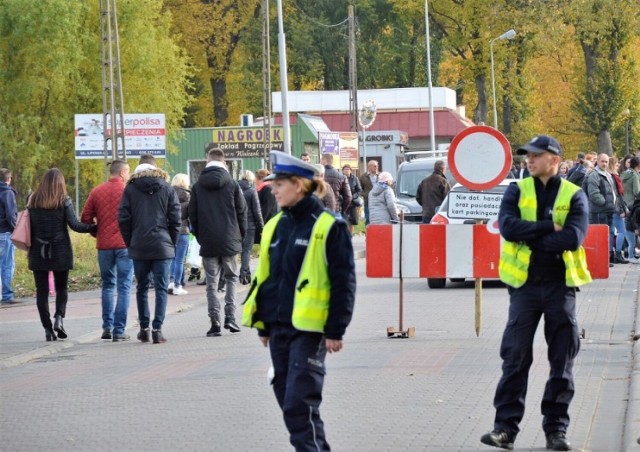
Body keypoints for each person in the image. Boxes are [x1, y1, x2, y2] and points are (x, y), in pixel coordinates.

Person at [481, 135, 591, 452]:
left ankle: (556, 431)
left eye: (535, 156)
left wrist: (531, 236)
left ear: (554, 159)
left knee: (562, 362)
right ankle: (505, 430)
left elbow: (572, 238)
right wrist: (546, 228)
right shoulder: (517, 190)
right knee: (515, 358)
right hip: (525, 288)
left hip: (560, 287)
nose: (528, 160)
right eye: (526, 156)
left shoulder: (574, 194)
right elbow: (508, 227)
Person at [242, 150, 355, 451]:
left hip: (311, 330)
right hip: (278, 329)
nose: (273, 189)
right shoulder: (275, 225)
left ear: (300, 185)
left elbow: (344, 282)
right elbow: (267, 278)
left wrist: (336, 329)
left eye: (279, 184)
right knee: (290, 401)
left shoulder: (330, 225)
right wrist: (262, 324)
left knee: (298, 404)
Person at [28, 168, 97, 341]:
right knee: (61, 288)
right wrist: (94, 227)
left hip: (38, 250)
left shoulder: (33, 200)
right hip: (60, 250)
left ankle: (47, 329)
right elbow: (75, 225)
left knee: (42, 291)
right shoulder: (63, 200)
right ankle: (59, 318)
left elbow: (28, 227)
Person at [118, 157, 180, 344]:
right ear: (155, 168)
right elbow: (175, 219)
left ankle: (144, 329)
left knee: (142, 288)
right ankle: (157, 330)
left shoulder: (130, 189)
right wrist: (171, 242)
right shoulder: (167, 188)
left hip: (139, 245)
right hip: (163, 246)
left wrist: (131, 242)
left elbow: (123, 219)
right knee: (161, 288)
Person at [189, 146, 247, 337]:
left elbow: (193, 216)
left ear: (207, 161)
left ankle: (214, 322)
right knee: (231, 278)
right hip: (230, 239)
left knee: (211, 283)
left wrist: (200, 236)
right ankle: (231, 317)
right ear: (224, 163)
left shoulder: (197, 187)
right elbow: (242, 212)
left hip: (208, 240)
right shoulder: (232, 184)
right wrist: (241, 235)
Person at [81, 160, 134, 341]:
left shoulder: (96, 191)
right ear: (122, 173)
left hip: (104, 246)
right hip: (125, 245)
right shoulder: (128, 192)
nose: (128, 176)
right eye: (128, 173)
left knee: (108, 285)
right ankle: (119, 331)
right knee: (124, 286)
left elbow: (85, 218)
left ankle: (107, 327)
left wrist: (98, 232)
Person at [586, 153, 618, 266]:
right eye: (602, 161)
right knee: (600, 237)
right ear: (598, 161)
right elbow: (594, 193)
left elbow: (612, 191)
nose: (604, 164)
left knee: (606, 236)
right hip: (599, 211)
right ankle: (600, 261)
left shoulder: (607, 174)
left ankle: (604, 260)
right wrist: (604, 203)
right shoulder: (594, 175)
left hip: (608, 210)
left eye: (606, 162)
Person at [238, 170, 264, 285]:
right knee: (247, 251)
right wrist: (262, 227)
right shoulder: (252, 191)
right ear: (251, 179)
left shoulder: (235, 189)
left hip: (238, 225)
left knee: (241, 250)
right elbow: (257, 211)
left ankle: (246, 273)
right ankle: (243, 274)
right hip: (250, 225)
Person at [168, 173, 191, 296]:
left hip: (170, 230)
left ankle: (171, 282)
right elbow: (191, 215)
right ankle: (177, 285)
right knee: (180, 260)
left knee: (171, 258)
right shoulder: (188, 195)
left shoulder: (168, 194)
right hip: (183, 230)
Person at [0, 168, 18, 304]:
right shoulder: (7, 193)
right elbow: (11, 215)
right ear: (8, 179)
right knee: (7, 265)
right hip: (5, 233)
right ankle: (7, 295)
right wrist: (15, 229)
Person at [621, 157, 640, 262]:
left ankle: (630, 252)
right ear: (638, 166)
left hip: (625, 203)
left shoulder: (625, 174)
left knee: (628, 228)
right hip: (634, 204)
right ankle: (632, 254)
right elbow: (637, 191)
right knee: (635, 228)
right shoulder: (635, 176)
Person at [342, 164, 362, 234]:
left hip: (352, 203)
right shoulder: (340, 178)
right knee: (344, 220)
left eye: (348, 169)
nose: (346, 170)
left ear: (350, 170)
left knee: (352, 221)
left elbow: (359, 190)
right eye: (345, 169)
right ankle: (345, 236)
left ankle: (350, 237)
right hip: (343, 203)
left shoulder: (355, 178)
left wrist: (352, 196)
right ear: (342, 171)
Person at [359, 160, 379, 224]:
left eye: (377, 166)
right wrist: (365, 194)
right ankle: (368, 233)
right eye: (375, 166)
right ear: (369, 167)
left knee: (377, 219)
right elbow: (359, 188)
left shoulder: (381, 176)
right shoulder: (363, 176)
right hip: (368, 201)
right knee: (368, 219)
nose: (376, 167)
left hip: (379, 201)